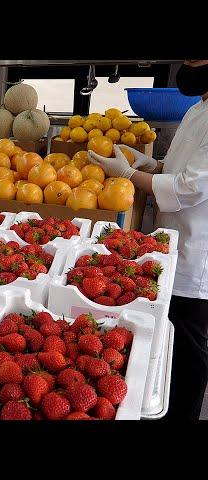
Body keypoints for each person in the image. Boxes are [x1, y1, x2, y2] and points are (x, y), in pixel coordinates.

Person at [88, 60, 208, 421]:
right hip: (173, 241)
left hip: (195, 255)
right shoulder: (197, 109)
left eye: (196, 60)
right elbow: (178, 171)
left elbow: (191, 186)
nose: (187, 67)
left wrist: (127, 174)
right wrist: (150, 166)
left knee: (187, 349)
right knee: (165, 344)